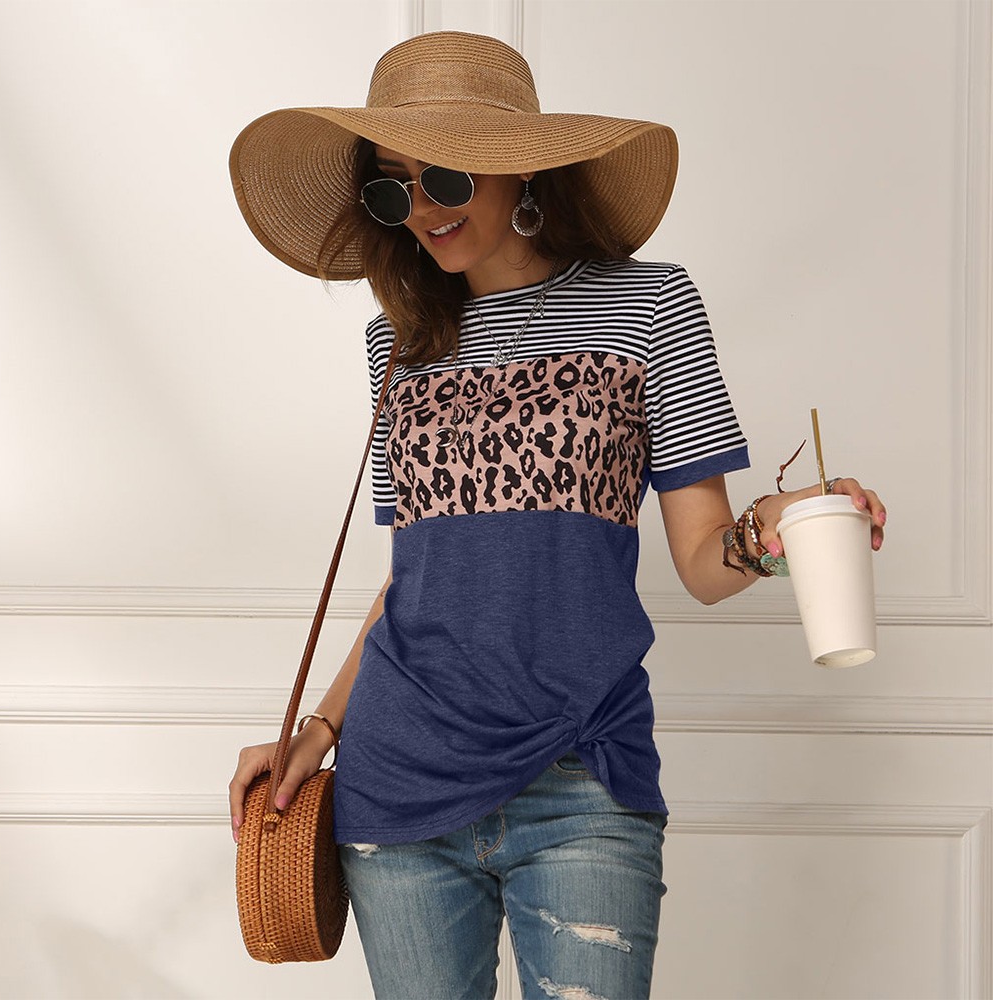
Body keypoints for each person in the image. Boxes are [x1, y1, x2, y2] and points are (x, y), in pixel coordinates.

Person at [227, 30, 886, 1000]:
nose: (422, 211)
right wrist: (319, 731)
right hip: (398, 785)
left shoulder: (649, 307)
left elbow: (703, 561)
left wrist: (780, 525)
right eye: (393, 190)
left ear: (521, 166)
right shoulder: (397, 344)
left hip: (582, 777)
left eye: (443, 177)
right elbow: (418, 578)